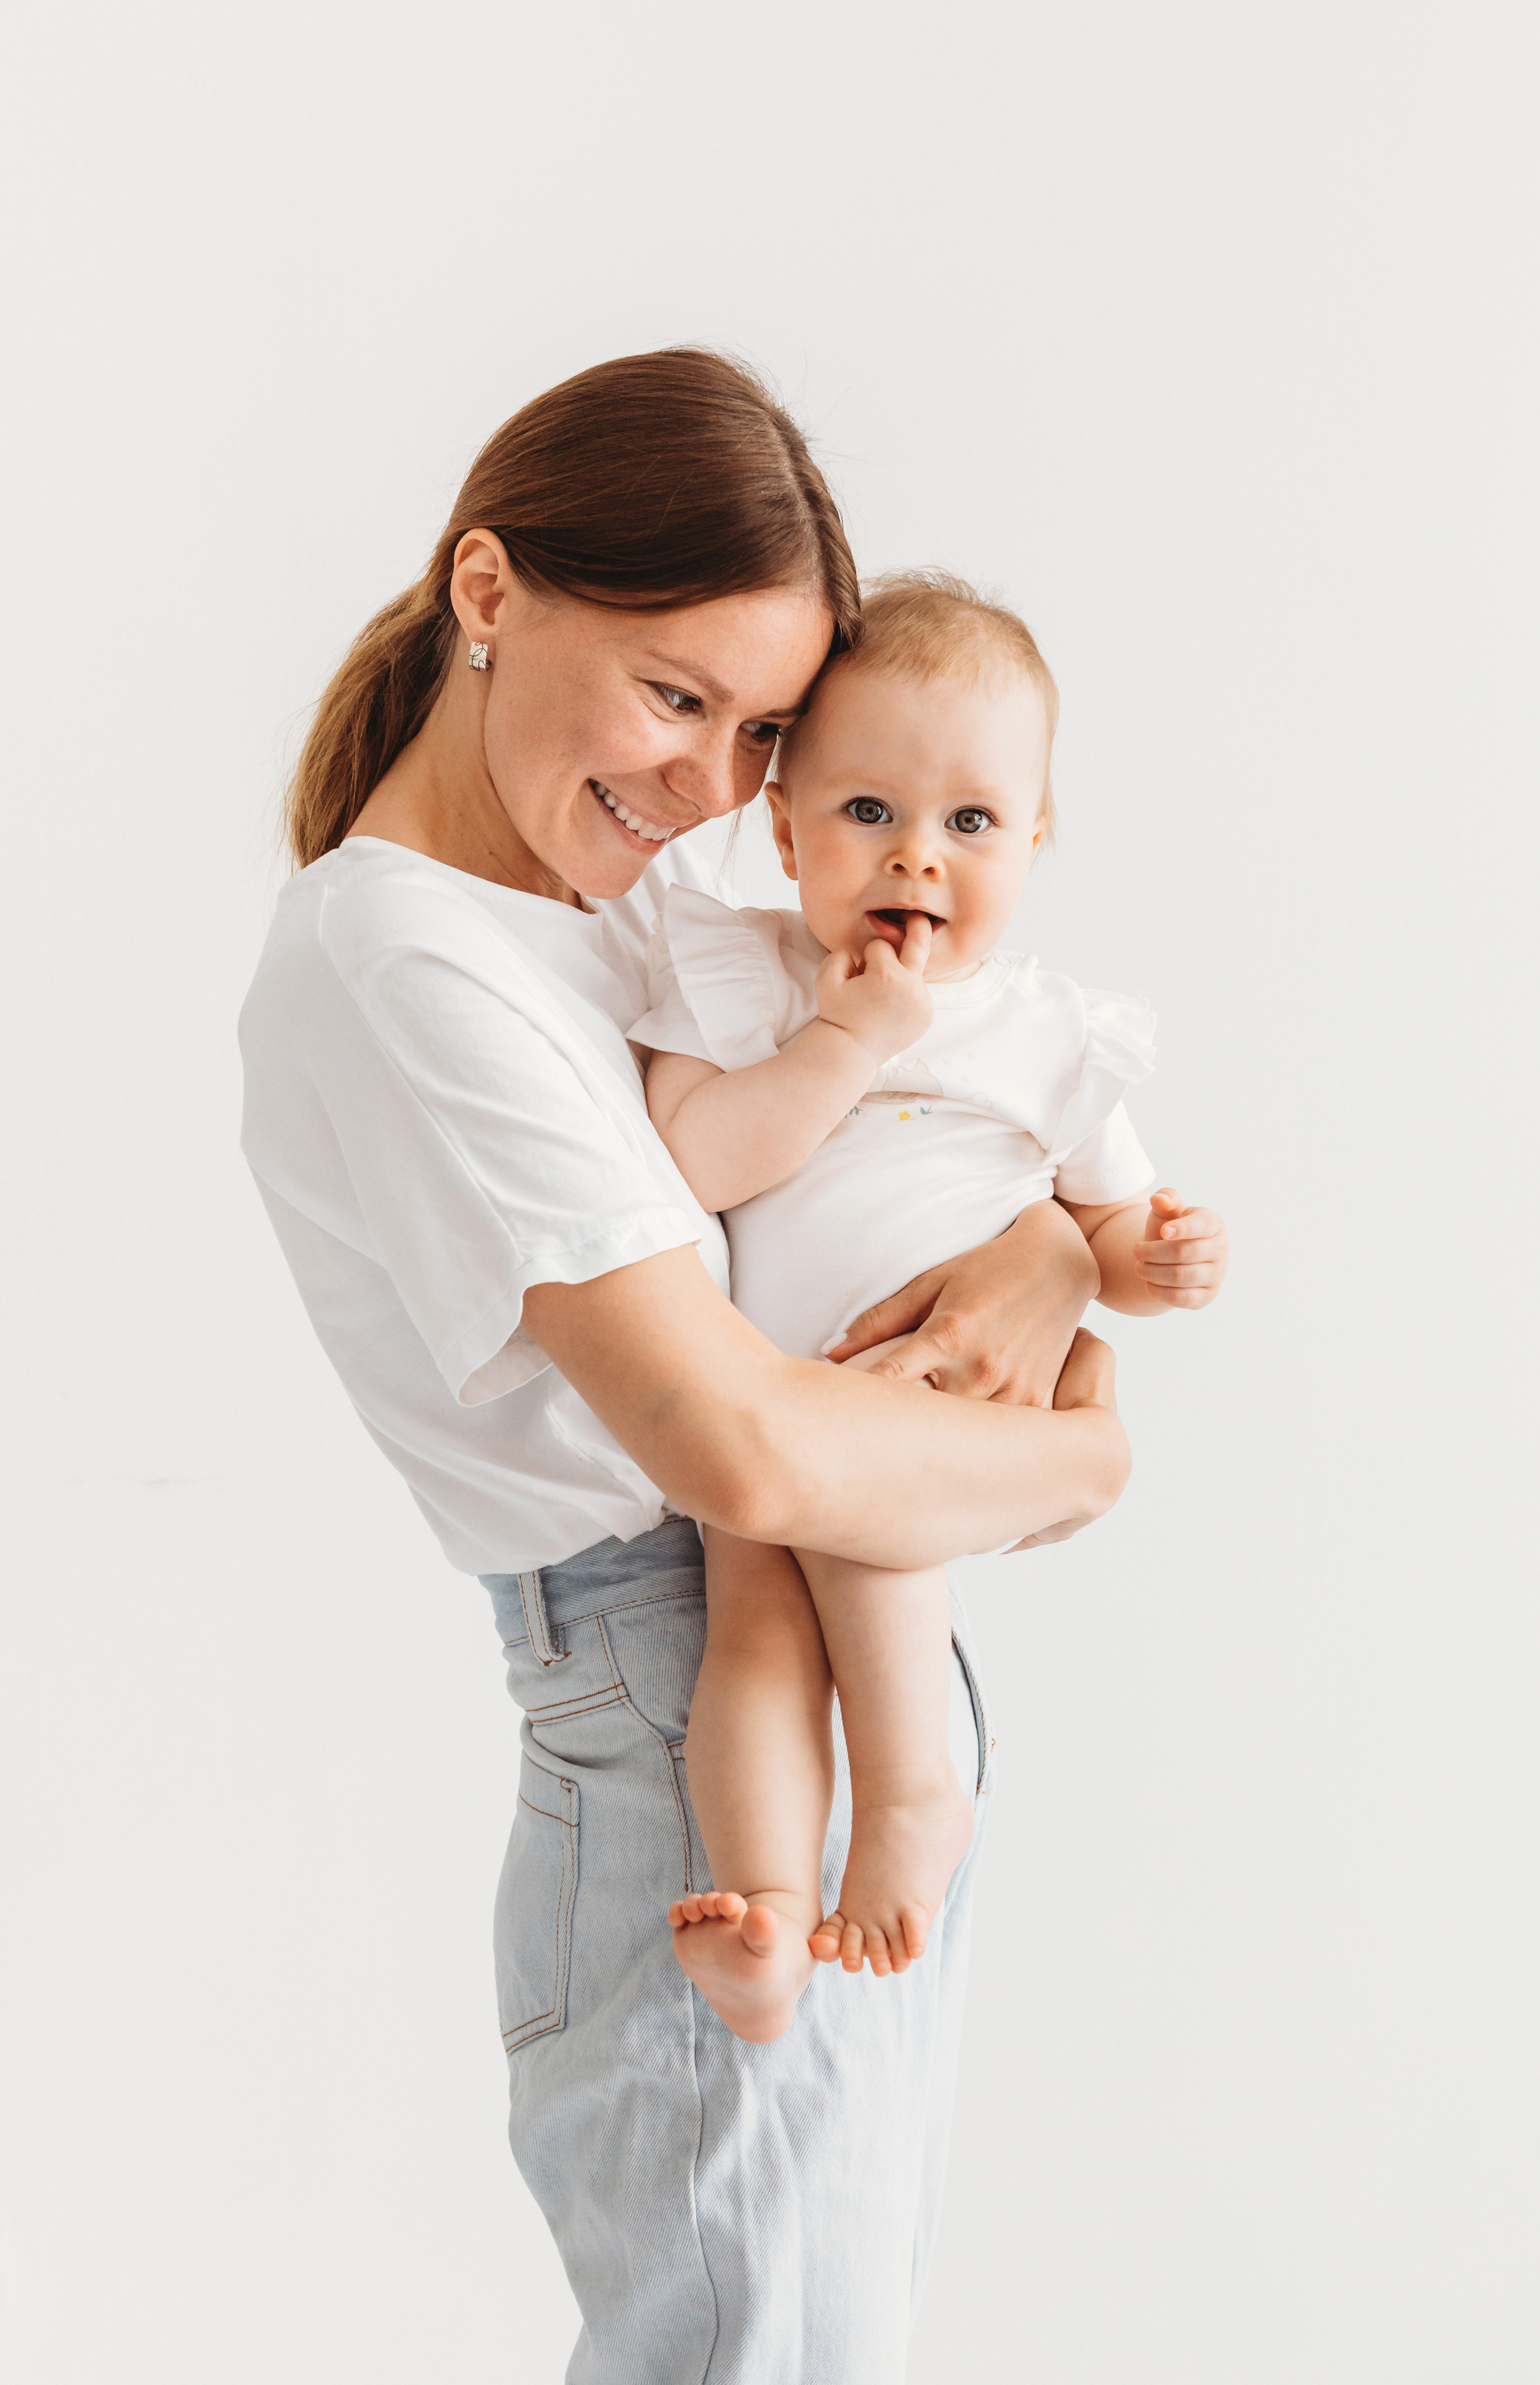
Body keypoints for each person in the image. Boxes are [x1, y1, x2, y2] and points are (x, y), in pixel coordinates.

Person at [238, 350, 1130, 2385]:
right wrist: (1084, 1467)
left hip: (836, 1666)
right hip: (691, 1708)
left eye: (758, 734)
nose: (717, 789)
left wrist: (1055, 1246)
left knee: (808, 2344)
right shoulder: (408, 962)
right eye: (675, 696)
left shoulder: (608, 916)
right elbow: (738, 1441)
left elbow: (917, 1148)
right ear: (490, 594)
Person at [633, 573, 1231, 2043]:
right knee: (755, 1632)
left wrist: (1154, 1264)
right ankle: (766, 1908)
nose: (917, 856)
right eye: (865, 813)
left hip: (923, 1400)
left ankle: (914, 1799)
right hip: (754, 1399)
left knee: (866, 1568)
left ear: (1033, 837)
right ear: (782, 828)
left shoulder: (1047, 1032)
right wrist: (846, 1038)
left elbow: (1101, 1230)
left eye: (970, 822)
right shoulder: (753, 980)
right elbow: (697, 1160)